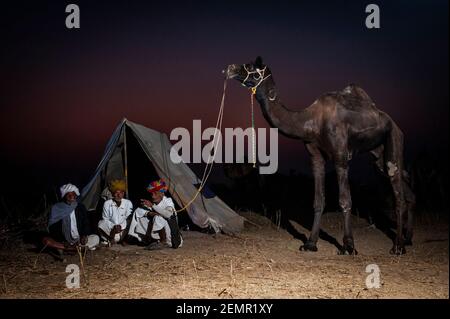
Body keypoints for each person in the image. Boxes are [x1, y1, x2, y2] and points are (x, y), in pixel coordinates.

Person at [48, 183, 99, 251]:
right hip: (64, 241)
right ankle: (78, 248)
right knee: (47, 240)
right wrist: (62, 240)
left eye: (73, 194)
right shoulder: (57, 208)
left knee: (96, 238)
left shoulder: (80, 207)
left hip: (79, 240)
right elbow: (53, 227)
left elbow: (85, 223)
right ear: (64, 196)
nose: (72, 196)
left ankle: (74, 248)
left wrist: (84, 235)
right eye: (69, 195)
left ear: (76, 195)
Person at [141, 179, 183, 250]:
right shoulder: (154, 203)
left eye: (155, 194)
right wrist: (148, 212)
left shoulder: (168, 201)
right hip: (164, 237)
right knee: (141, 213)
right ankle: (152, 240)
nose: (153, 196)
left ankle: (163, 242)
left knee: (159, 216)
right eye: (152, 194)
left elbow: (168, 214)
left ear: (162, 194)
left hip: (173, 240)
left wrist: (152, 206)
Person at [98, 179, 133, 246]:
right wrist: (114, 227)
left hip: (123, 231)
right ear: (112, 194)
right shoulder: (107, 203)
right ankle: (110, 239)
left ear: (123, 193)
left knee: (132, 220)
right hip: (111, 232)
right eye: (116, 193)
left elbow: (128, 218)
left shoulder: (128, 203)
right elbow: (105, 219)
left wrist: (120, 226)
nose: (118, 195)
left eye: (121, 193)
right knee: (101, 223)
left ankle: (125, 240)